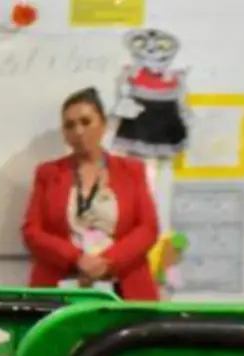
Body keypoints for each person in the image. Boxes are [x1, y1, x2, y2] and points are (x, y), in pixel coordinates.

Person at [23, 87, 160, 300]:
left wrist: (107, 261)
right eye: (70, 125)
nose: (78, 131)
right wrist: (77, 258)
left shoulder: (132, 170)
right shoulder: (48, 173)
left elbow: (148, 228)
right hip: (60, 286)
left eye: (86, 122)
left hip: (124, 288)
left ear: (103, 124)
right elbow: (32, 232)